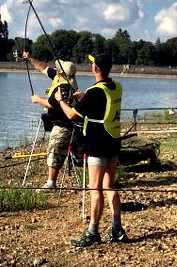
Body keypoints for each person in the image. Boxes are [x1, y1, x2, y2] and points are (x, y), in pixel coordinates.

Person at [51, 52, 125, 246]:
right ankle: (117, 228)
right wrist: (84, 97)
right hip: (113, 141)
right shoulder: (117, 87)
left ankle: (93, 232)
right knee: (110, 186)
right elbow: (102, 102)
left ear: (95, 68)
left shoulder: (94, 92)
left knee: (95, 189)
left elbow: (71, 115)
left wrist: (60, 100)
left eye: (92, 64)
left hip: (98, 143)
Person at [21, 51, 79, 189]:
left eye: (58, 69)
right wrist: (29, 59)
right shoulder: (59, 77)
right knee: (60, 152)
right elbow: (43, 68)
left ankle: (51, 184)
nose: (55, 70)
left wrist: (37, 100)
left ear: (62, 73)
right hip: (58, 122)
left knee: (55, 152)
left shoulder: (64, 87)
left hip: (63, 125)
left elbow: (51, 104)